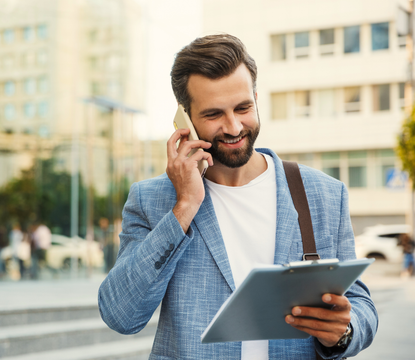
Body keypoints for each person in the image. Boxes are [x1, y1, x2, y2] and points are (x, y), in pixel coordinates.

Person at [98, 34, 377, 360]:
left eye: (243, 108)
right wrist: (184, 206)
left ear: (256, 98)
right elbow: (121, 315)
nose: (233, 127)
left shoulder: (324, 194)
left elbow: (360, 306)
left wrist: (343, 331)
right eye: (214, 114)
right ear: (185, 119)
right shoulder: (153, 200)